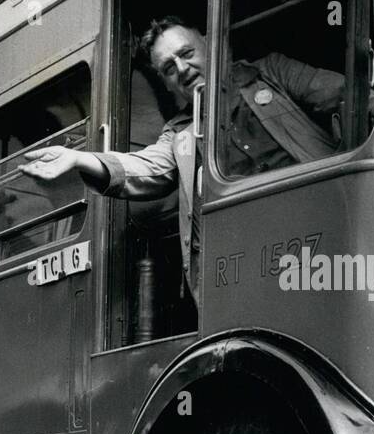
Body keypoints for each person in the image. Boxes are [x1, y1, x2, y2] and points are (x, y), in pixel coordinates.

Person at [21, 16, 345, 305]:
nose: (182, 68)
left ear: (209, 44)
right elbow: (147, 168)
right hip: (251, 261)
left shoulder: (272, 73)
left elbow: (347, 96)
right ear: (166, 83)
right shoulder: (179, 132)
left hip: (324, 230)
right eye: (169, 68)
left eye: (187, 53)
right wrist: (79, 158)